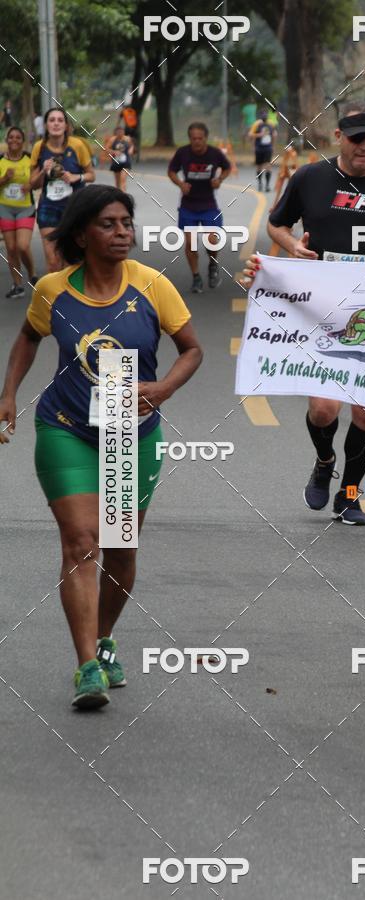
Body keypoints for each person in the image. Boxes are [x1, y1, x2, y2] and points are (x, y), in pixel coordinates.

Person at [0, 185, 203, 709]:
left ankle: (105, 636)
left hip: (127, 429)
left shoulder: (153, 285)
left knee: (121, 547)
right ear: (84, 233)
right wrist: (9, 395)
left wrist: (163, 388)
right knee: (80, 542)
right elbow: (27, 336)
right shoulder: (53, 290)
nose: (122, 233)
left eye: (126, 224)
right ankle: (87, 664)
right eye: (109, 224)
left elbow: (192, 349)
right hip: (65, 426)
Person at [262, 103, 365, 525]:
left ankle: (349, 495)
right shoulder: (310, 177)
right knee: (325, 411)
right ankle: (324, 459)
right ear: (339, 138)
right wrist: (292, 245)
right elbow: (275, 224)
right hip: (320, 308)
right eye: (357, 139)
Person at [29, 107, 95, 272]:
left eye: (60, 120)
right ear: (45, 125)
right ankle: (56, 297)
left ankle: (73, 296)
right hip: (49, 206)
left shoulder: (77, 146)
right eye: (52, 120)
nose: (56, 124)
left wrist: (76, 177)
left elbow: (91, 175)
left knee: (72, 261)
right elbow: (32, 184)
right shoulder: (39, 147)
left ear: (66, 126)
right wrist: (43, 171)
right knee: (53, 262)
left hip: (74, 206)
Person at [167, 122, 231, 293]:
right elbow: (171, 171)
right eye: (193, 138)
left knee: (212, 240)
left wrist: (219, 180)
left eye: (200, 138)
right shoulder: (183, 153)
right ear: (190, 139)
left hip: (209, 203)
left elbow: (227, 168)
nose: (197, 142)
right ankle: (196, 277)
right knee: (190, 243)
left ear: (205, 138)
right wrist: (180, 184)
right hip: (189, 205)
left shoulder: (215, 153)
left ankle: (212, 264)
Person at [0, 126, 37, 297]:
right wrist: (4, 179)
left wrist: (31, 184)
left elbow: (39, 181)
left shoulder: (29, 159)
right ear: (7, 140)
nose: (14, 140)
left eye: (18, 138)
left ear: (23, 141)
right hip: (5, 208)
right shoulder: (1, 160)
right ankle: (17, 285)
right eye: (11, 137)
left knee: (22, 246)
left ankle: (32, 274)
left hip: (25, 208)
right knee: (11, 248)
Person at [248, 110, 277, 192]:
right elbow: (250, 135)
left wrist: (273, 145)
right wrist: (259, 135)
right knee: (259, 166)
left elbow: (274, 134)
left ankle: (267, 185)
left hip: (268, 148)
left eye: (266, 115)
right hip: (259, 148)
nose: (265, 116)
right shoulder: (257, 124)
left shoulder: (271, 124)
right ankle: (260, 183)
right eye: (263, 115)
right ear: (260, 116)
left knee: (268, 165)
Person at [104, 125, 134, 190]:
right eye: (119, 132)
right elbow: (106, 149)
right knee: (117, 182)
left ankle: (123, 196)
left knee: (123, 180)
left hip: (126, 161)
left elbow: (132, 145)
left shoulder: (127, 139)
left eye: (122, 132)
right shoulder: (112, 140)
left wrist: (130, 150)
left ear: (123, 132)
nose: (120, 133)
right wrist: (114, 152)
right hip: (116, 162)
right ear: (116, 132)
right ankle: (118, 194)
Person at [271, 142, 299, 209]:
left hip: (292, 171)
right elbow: (283, 164)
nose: (286, 151)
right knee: (279, 189)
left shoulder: (293, 154)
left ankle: (291, 205)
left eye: (288, 149)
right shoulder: (286, 155)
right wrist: (281, 173)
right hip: (286, 171)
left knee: (292, 189)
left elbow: (295, 164)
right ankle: (275, 205)